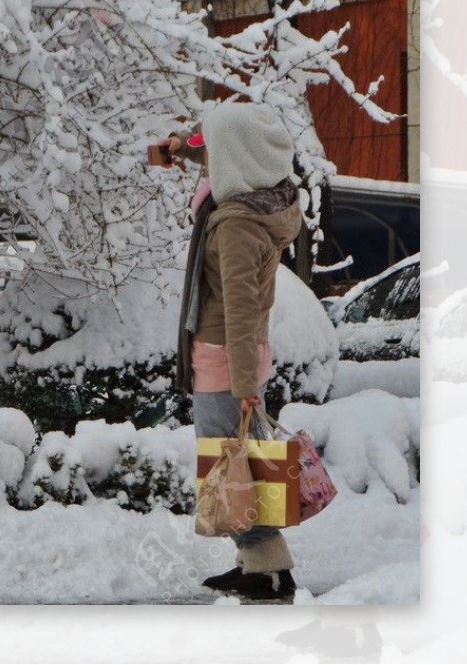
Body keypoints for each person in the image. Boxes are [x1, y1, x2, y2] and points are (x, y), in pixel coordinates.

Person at [157, 101, 303, 601]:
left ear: (234, 160)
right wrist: (184, 144)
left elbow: (241, 310)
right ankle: (260, 564)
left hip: (226, 356)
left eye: (213, 149)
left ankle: (267, 568)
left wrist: (243, 386)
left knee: (230, 469)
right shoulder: (261, 197)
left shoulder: (237, 224)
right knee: (242, 465)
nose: (209, 154)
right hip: (232, 354)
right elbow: (224, 146)